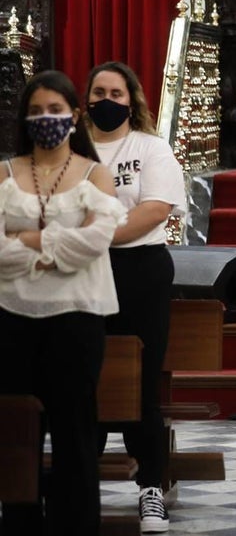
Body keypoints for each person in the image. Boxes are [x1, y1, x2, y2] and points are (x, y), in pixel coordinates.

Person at [0, 70, 124, 536]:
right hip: (11, 316)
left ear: (74, 116)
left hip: (77, 318)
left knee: (74, 436)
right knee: (16, 435)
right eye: (36, 112)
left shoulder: (95, 174)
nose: (45, 119)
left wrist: (27, 241)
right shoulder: (5, 173)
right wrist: (54, 248)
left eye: (54, 111)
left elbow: (94, 241)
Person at [85, 61, 187, 533]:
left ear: (132, 101)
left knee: (140, 383)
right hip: (79, 276)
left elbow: (154, 210)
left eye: (117, 93)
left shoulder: (150, 147)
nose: (107, 100)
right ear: (85, 99)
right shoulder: (69, 150)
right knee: (81, 383)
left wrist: (94, 239)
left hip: (138, 272)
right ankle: (75, 484)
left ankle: (150, 488)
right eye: (99, 91)